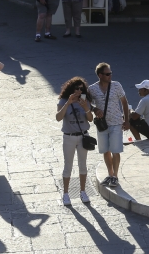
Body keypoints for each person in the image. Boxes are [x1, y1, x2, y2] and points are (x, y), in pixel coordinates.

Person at [88, 63, 130, 187]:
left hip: (116, 123)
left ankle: (115, 176)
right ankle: (110, 174)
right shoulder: (92, 89)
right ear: (100, 75)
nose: (110, 75)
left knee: (115, 151)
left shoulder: (116, 86)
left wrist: (126, 120)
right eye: (107, 74)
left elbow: (124, 103)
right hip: (102, 125)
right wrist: (94, 109)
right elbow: (86, 103)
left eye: (110, 73)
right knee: (105, 151)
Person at [56, 77, 94, 205]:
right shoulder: (63, 101)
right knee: (68, 166)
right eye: (76, 88)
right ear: (71, 89)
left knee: (83, 165)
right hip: (69, 137)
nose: (79, 91)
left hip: (83, 136)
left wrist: (86, 108)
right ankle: (66, 194)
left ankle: (83, 191)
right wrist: (68, 103)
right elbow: (58, 118)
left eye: (81, 89)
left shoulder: (85, 101)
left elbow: (90, 119)